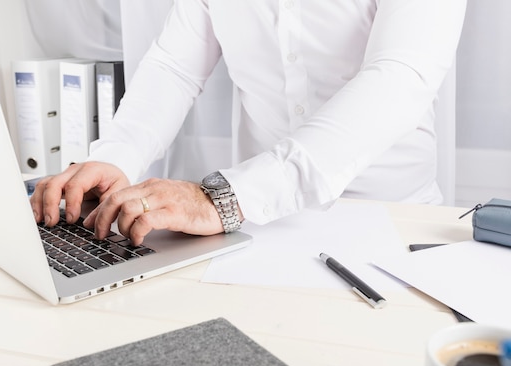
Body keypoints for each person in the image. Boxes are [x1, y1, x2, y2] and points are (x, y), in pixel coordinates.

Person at [30, 0, 468, 246]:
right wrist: (115, 158)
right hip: (263, 228)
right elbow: (174, 68)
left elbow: (399, 78)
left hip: (392, 223)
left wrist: (225, 198)